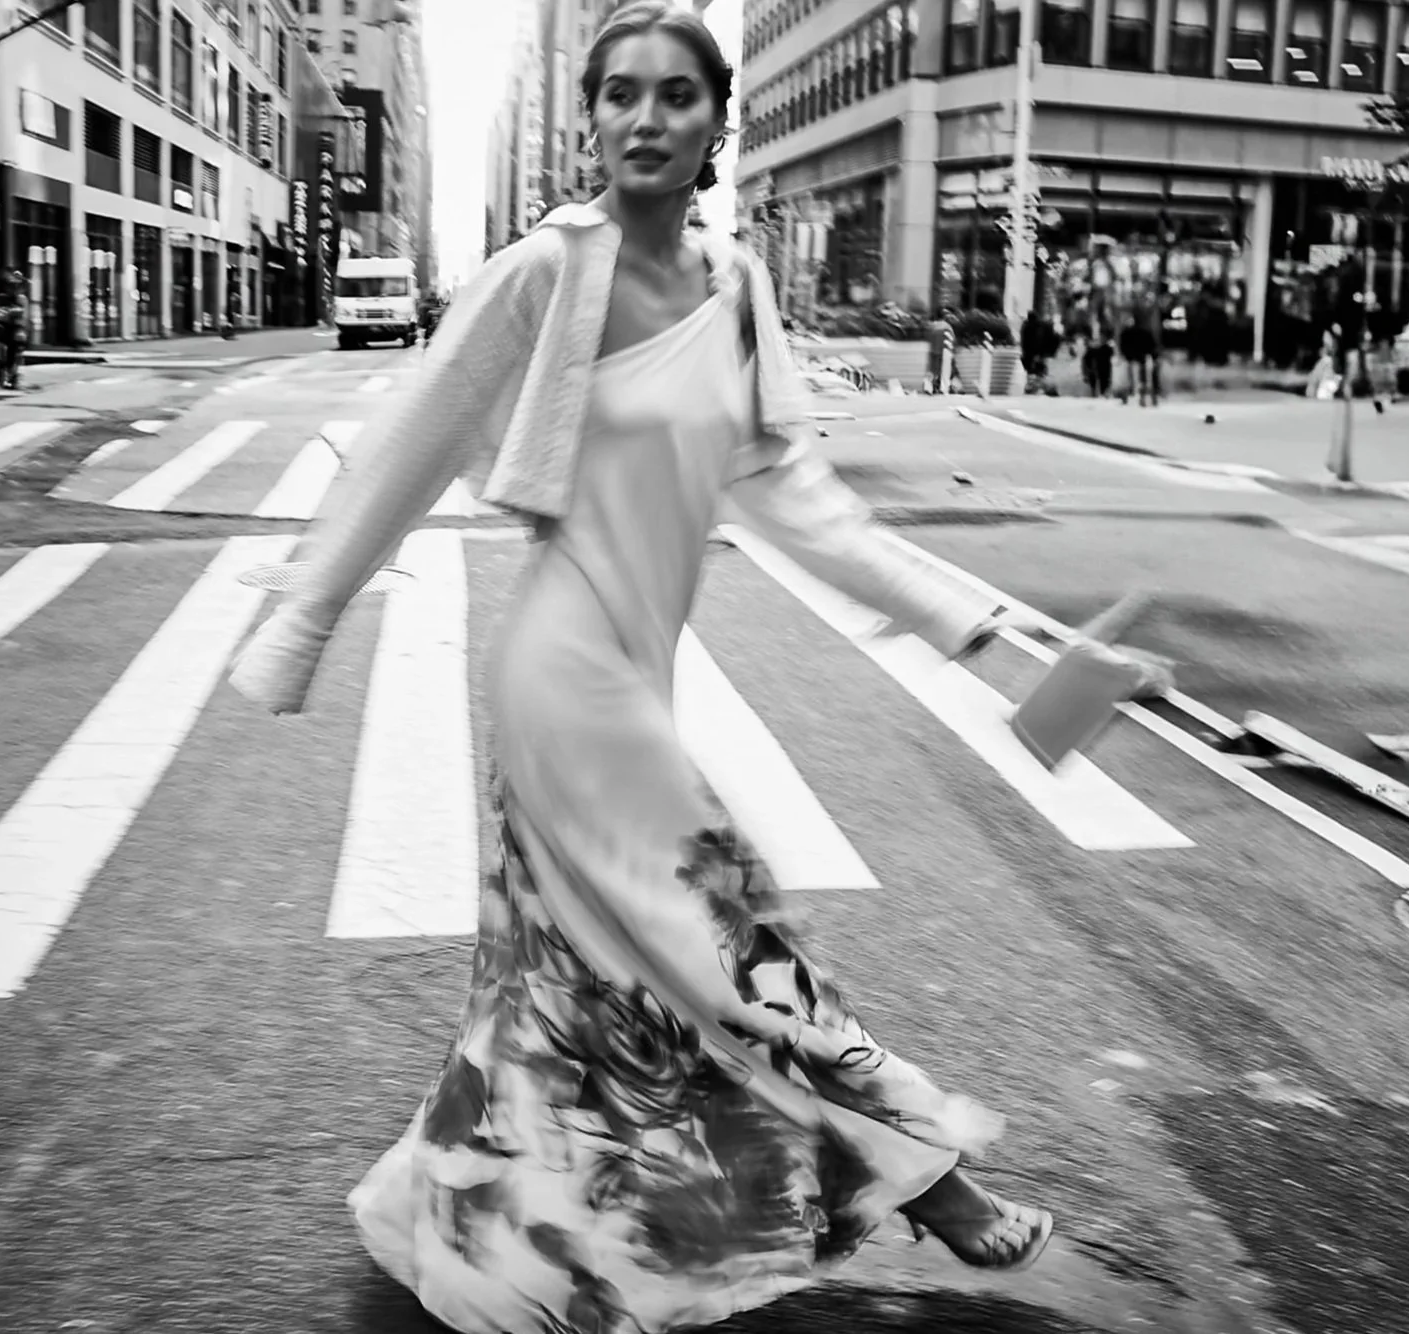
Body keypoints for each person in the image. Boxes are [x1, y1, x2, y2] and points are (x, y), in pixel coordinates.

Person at [224, 5, 1052, 1332]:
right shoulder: (545, 274)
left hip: (639, 674)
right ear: (589, 119)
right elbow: (410, 438)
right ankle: (925, 1169)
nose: (645, 118)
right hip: (565, 683)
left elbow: (805, 504)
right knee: (732, 945)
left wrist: (986, 628)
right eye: (619, 94)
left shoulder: (736, 291)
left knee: (574, 1007)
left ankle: (464, 1213)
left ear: (718, 122)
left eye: (676, 95)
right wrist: (303, 618)